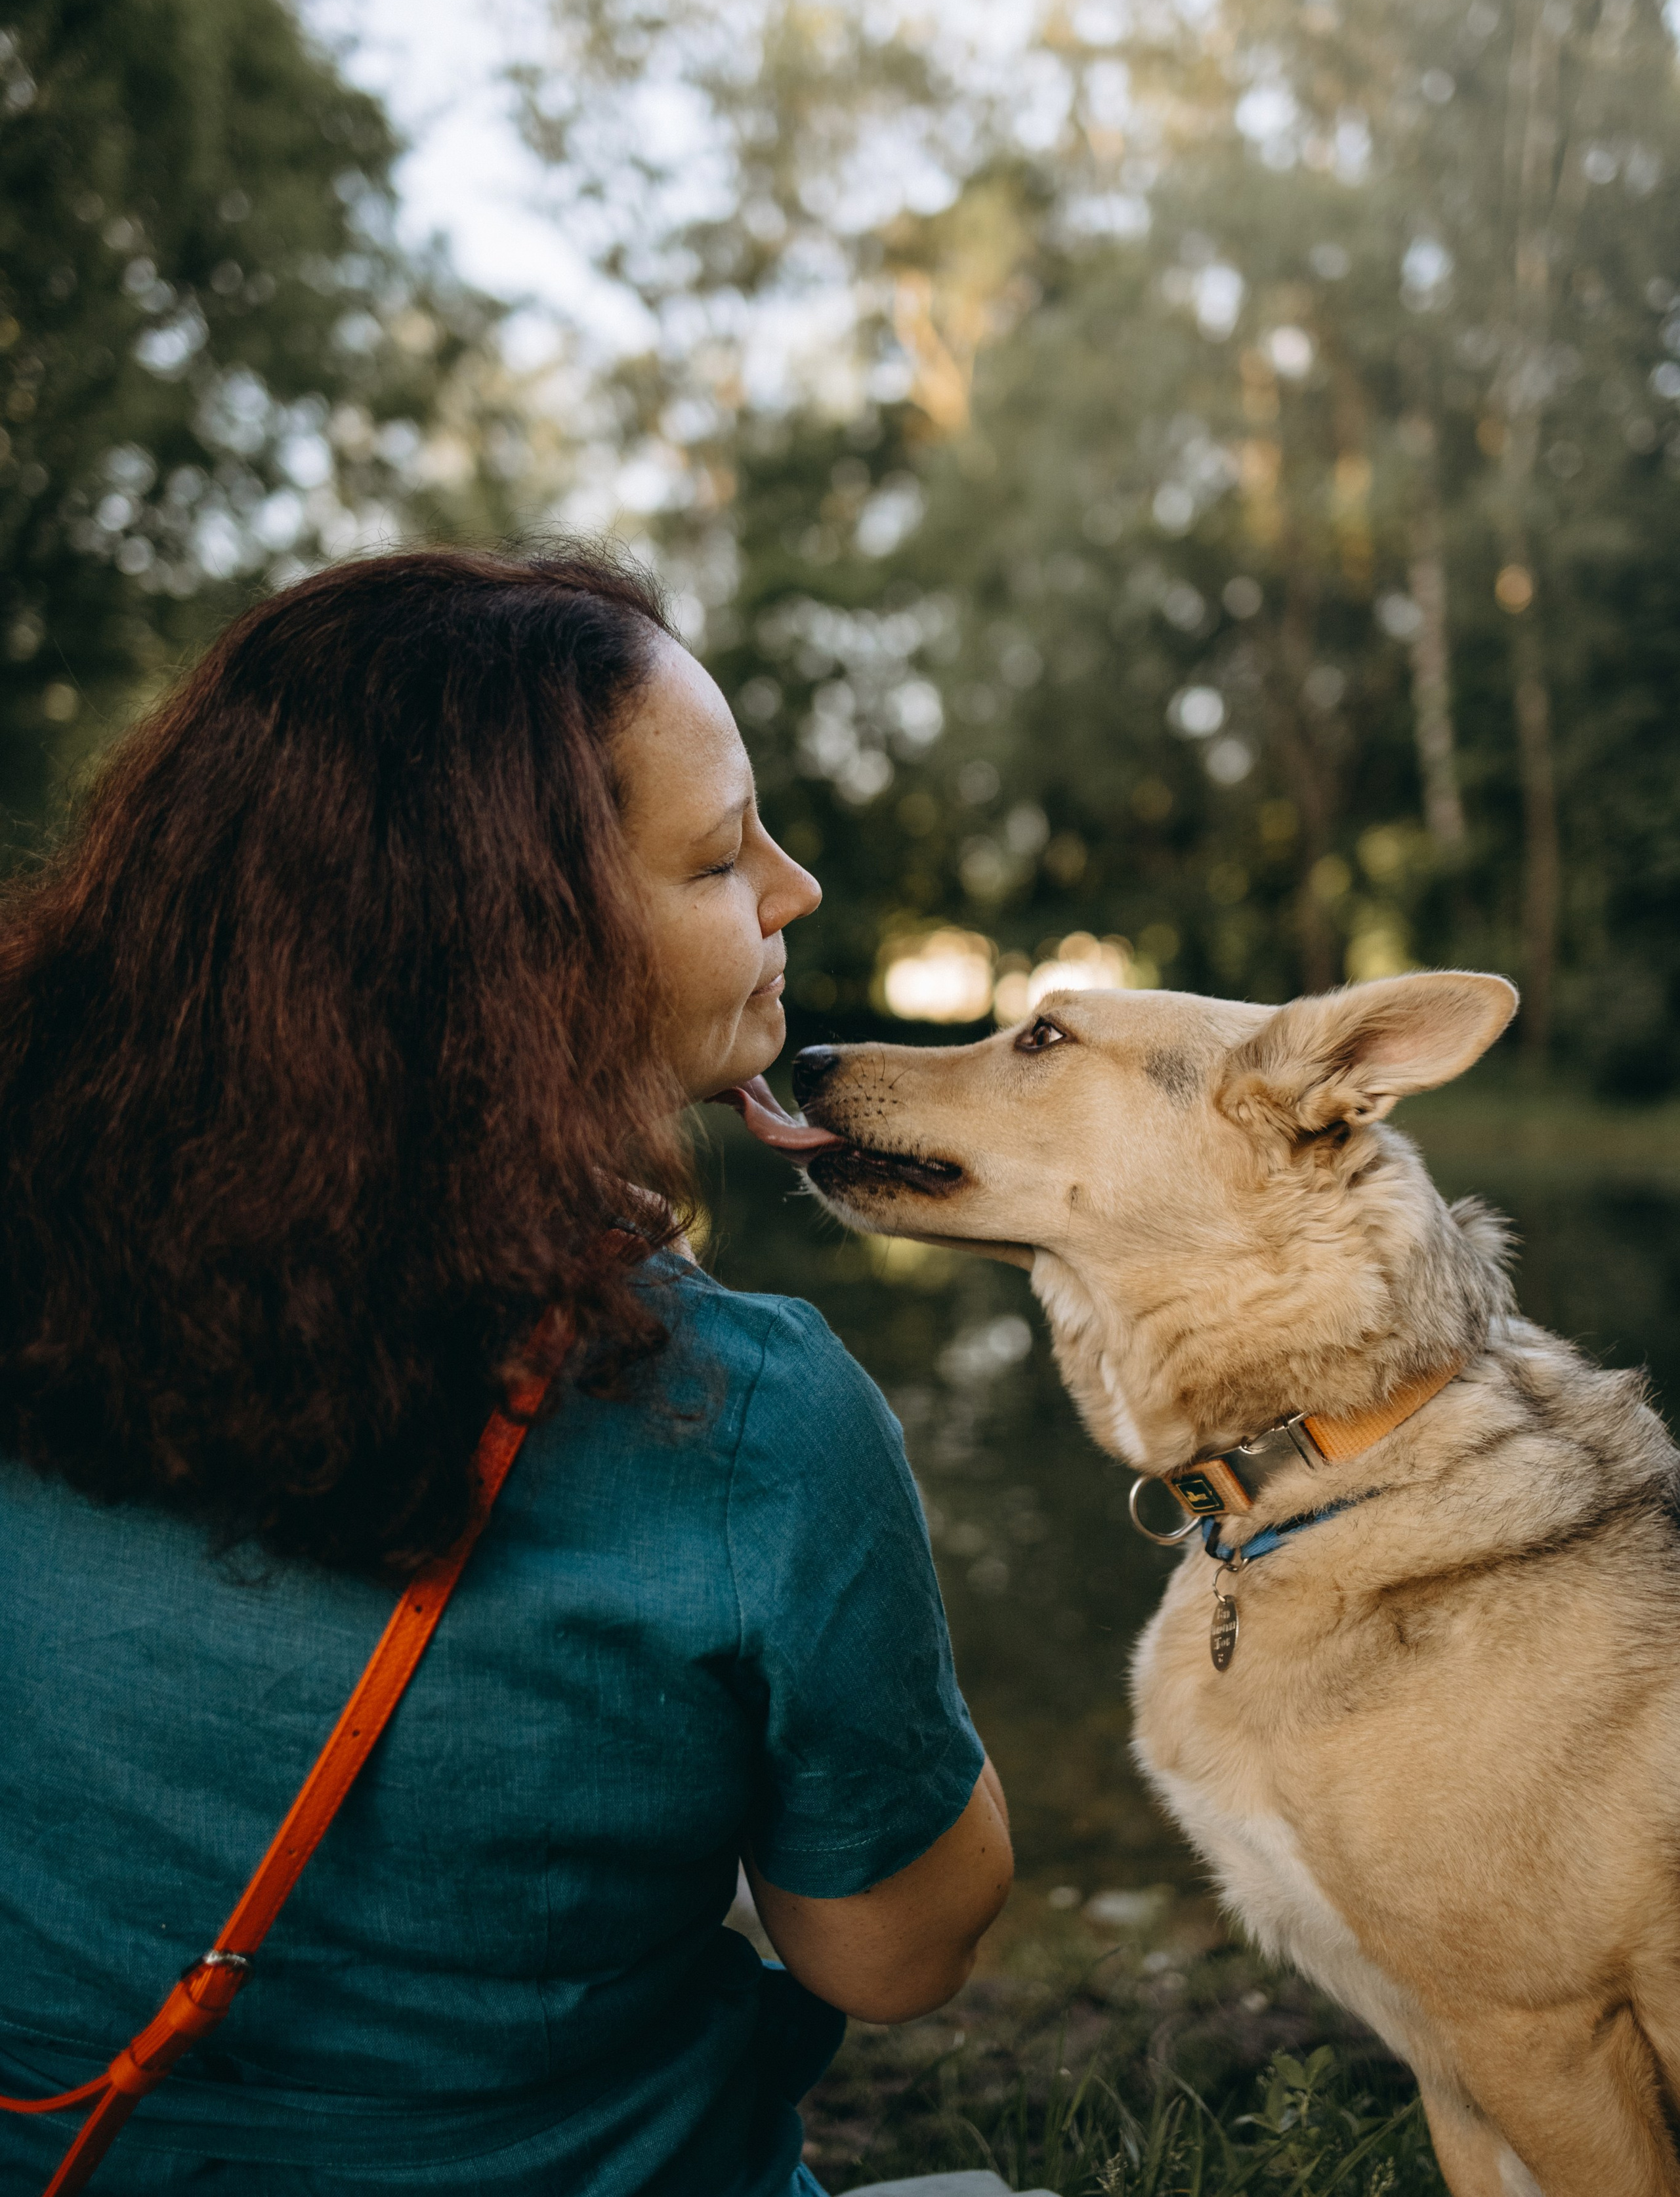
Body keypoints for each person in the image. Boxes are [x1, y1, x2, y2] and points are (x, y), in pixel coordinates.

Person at [0, 546, 1012, 2197]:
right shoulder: (751, 1415)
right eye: (714, 858)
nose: (793, 886)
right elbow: (896, 1953)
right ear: (520, 956)